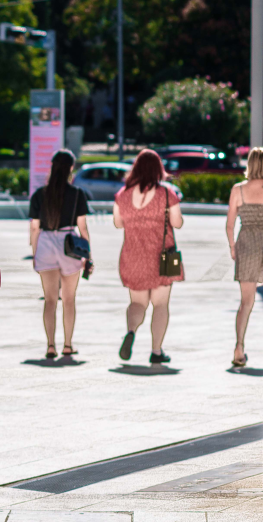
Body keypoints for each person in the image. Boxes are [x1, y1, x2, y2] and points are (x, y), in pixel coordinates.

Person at [113, 149, 184, 364]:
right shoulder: (166, 194)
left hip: (133, 255)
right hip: (162, 256)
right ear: (158, 170)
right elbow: (177, 223)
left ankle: (132, 331)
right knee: (160, 305)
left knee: (137, 303)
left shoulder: (122, 195)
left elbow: (118, 223)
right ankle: (156, 351)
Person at [28, 149, 91, 357]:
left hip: (45, 244)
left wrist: (35, 253)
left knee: (50, 300)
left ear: (52, 167)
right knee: (69, 299)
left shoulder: (39, 195)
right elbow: (82, 228)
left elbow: (35, 228)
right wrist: (87, 256)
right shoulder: (77, 194)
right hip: (68, 245)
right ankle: (68, 345)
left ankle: (50, 346)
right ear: (71, 168)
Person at [225, 147, 263, 368]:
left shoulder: (238, 189)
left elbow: (230, 225)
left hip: (247, 242)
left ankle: (239, 347)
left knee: (246, 302)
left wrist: (233, 247)